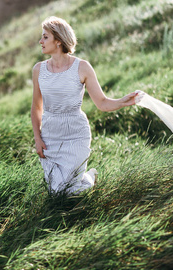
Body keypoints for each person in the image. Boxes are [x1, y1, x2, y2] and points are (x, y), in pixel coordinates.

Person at [31, 16, 138, 194]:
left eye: (45, 37)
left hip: (76, 135)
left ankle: (87, 179)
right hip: (50, 136)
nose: (40, 41)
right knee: (56, 192)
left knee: (68, 190)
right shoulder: (38, 70)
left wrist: (123, 101)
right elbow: (36, 107)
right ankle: (88, 180)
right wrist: (37, 138)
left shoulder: (82, 67)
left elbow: (102, 103)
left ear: (58, 41)